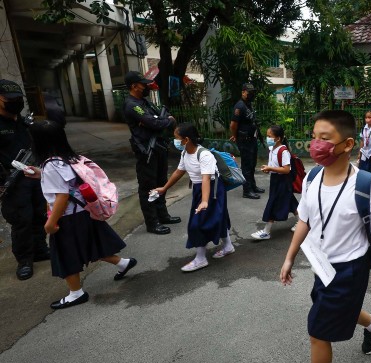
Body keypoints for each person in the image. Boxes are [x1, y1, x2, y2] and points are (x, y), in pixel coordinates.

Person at [281, 110, 371, 363]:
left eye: (325, 138)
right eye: (314, 137)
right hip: (321, 265)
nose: (316, 144)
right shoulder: (312, 177)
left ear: (348, 144)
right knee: (339, 312)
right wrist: (290, 256)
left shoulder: (366, 186)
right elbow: (304, 218)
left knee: (318, 331)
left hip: (349, 270)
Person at [29, 120, 136, 309]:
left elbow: (62, 195)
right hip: (83, 212)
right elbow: (68, 184)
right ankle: (123, 263)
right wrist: (40, 174)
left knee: (65, 254)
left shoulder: (50, 165)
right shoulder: (67, 158)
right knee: (92, 245)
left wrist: (51, 223)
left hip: (67, 217)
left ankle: (76, 293)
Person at [153, 123, 234, 272]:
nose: (174, 141)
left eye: (177, 138)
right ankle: (228, 246)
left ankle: (201, 258)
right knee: (218, 217)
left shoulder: (204, 155)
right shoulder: (185, 152)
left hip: (212, 189)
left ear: (186, 139)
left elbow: (206, 179)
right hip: (200, 190)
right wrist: (164, 188)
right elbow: (179, 171)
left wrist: (204, 201)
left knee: (198, 223)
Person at [0, 79, 49, 280]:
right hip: (12, 183)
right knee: (21, 221)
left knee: (39, 215)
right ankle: (24, 260)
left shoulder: (25, 123)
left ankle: (40, 249)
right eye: (9, 99)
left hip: (34, 178)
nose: (15, 102)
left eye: (18, 99)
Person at [122, 71, 181, 235]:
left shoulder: (144, 102)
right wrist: (165, 121)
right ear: (134, 86)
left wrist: (164, 121)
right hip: (146, 151)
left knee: (161, 183)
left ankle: (163, 215)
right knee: (148, 187)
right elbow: (154, 122)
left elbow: (160, 119)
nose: (146, 86)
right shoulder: (132, 105)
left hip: (159, 147)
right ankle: (152, 222)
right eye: (143, 83)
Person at [251, 125, 299, 240]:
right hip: (275, 180)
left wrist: (271, 169)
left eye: (269, 136)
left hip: (283, 181)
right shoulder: (272, 149)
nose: (267, 138)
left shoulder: (283, 151)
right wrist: (268, 169)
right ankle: (303, 223)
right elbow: (273, 166)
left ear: (278, 138)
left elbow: (286, 169)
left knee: (273, 203)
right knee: (291, 202)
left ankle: (266, 231)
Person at [230, 83, 265, 199]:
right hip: (244, 140)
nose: (251, 94)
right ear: (243, 92)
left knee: (252, 164)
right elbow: (233, 124)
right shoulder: (239, 106)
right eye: (249, 92)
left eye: (252, 92)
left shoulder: (248, 104)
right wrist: (234, 135)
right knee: (246, 165)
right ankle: (247, 190)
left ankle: (253, 186)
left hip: (252, 139)